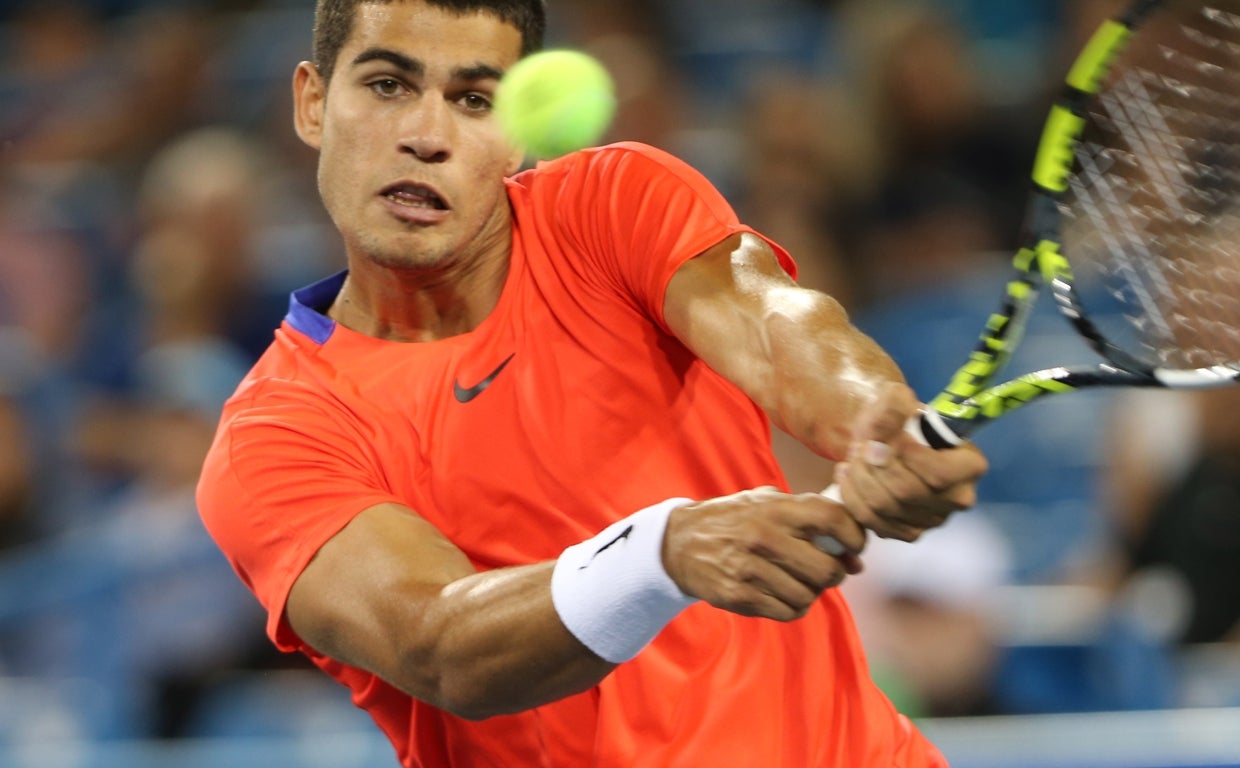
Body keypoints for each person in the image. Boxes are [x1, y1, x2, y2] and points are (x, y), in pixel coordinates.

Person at [195, 1, 988, 766]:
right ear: (311, 102)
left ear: (515, 137)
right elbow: (438, 645)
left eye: (474, 100)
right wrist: (660, 554)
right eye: (387, 85)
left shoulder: (612, 207)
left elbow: (779, 324)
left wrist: (873, 418)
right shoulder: (275, 434)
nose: (427, 135)